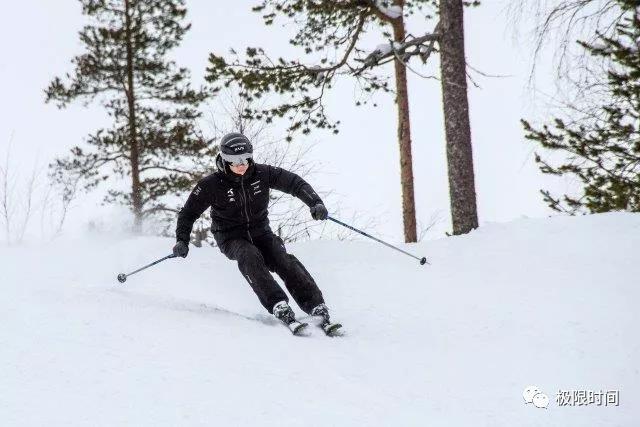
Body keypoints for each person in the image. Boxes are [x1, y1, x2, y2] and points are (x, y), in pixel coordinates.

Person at [173, 132, 334, 331]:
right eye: (234, 161)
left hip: (261, 232)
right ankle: (278, 304)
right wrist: (182, 240)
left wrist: (315, 203)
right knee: (249, 256)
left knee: (281, 257)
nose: (241, 165)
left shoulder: (262, 174)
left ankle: (315, 305)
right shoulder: (211, 185)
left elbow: (294, 183)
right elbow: (188, 213)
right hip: (230, 236)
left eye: (245, 159)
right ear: (224, 160)